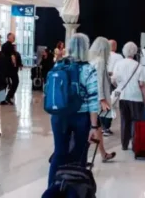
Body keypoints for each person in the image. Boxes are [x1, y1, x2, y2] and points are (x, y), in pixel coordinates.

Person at [47, 33, 102, 187]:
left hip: (59, 116)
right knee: (79, 154)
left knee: (59, 153)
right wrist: (94, 126)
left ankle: (52, 189)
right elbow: (93, 100)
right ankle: (75, 189)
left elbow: (49, 90)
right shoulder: (88, 70)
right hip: (81, 118)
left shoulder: (58, 65)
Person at [111, 42, 145, 151]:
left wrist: (118, 86)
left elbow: (113, 79)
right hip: (136, 97)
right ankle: (134, 144)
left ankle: (124, 144)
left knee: (124, 120)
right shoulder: (138, 66)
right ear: (135, 52)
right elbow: (142, 85)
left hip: (123, 96)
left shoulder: (119, 63)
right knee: (135, 121)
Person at [89, 37, 117, 162]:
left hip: (90, 99)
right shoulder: (100, 62)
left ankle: (103, 154)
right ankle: (83, 157)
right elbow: (99, 81)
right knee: (93, 128)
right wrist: (102, 99)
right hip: (95, 101)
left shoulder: (92, 60)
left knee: (97, 128)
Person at [103, 39, 123, 137]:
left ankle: (101, 126)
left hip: (102, 81)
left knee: (102, 103)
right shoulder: (119, 57)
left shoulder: (102, 55)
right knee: (110, 104)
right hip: (112, 83)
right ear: (115, 46)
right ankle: (106, 127)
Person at [1, 33, 19, 105]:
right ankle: (8, 97)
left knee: (4, 83)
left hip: (4, 67)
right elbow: (12, 56)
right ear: (8, 37)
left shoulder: (3, 46)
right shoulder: (10, 46)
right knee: (16, 81)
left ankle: (2, 99)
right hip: (11, 68)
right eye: (13, 37)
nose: (14, 38)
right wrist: (15, 64)